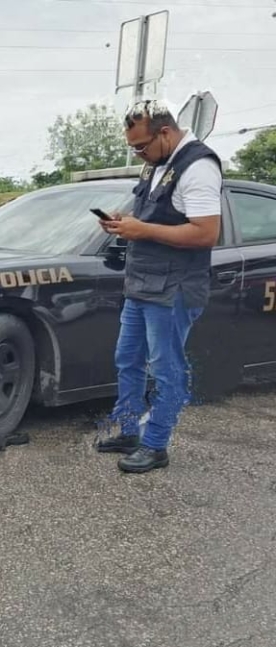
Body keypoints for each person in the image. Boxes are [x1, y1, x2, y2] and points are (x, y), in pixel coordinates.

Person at [96, 100, 222, 473]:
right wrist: (125, 222)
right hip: (141, 284)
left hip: (174, 288)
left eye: (141, 147)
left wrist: (143, 230)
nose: (138, 154)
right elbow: (156, 216)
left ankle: (155, 445)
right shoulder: (157, 163)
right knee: (127, 360)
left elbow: (206, 232)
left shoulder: (198, 167)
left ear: (164, 133)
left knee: (166, 369)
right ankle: (129, 430)